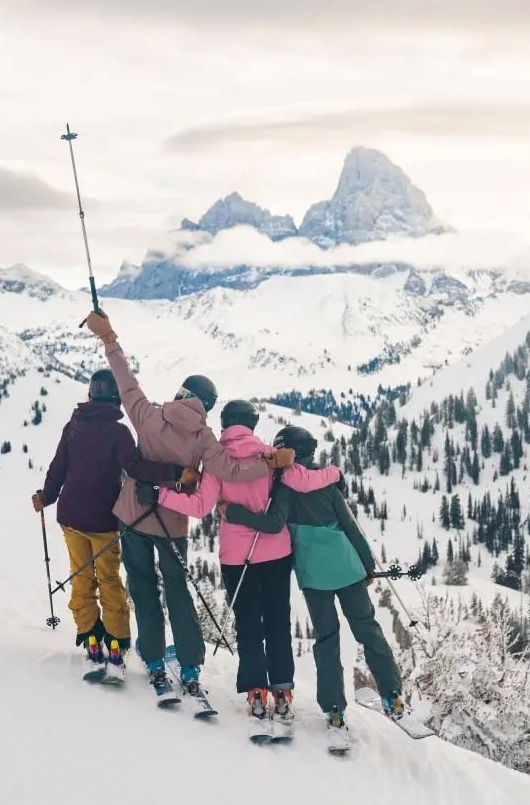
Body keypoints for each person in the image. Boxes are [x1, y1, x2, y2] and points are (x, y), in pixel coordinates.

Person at [83, 309, 295, 701]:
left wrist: (109, 336)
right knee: (177, 590)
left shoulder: (146, 415)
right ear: (207, 407)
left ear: (181, 393)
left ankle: (153, 659)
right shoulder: (204, 441)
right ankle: (191, 663)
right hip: (172, 524)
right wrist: (268, 462)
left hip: (132, 516)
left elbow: (124, 378)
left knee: (143, 588)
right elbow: (231, 471)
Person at [218, 424, 405, 746]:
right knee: (368, 629)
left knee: (326, 640)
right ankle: (392, 695)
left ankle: (334, 709)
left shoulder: (285, 487)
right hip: (348, 568)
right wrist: (368, 566)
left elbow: (273, 523)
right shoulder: (328, 484)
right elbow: (351, 526)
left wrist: (234, 513)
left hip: (314, 577)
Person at [154, 399, 331, 734]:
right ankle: (282, 690)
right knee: (277, 620)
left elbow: (200, 506)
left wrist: (161, 496)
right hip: (277, 554)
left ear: (224, 424)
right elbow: (304, 481)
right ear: (251, 423)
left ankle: (256, 691)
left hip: (237, 558)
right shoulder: (270, 455)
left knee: (248, 622)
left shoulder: (217, 461)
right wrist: (333, 474)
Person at [30, 368, 190, 680]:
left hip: (71, 516)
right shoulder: (118, 432)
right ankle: (116, 643)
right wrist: (175, 472)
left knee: (81, 577)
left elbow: (58, 466)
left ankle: (91, 638)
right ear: (116, 398)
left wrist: (46, 497)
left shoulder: (73, 426)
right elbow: (136, 467)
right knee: (108, 579)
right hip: (103, 519)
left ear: (90, 394)